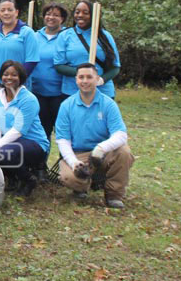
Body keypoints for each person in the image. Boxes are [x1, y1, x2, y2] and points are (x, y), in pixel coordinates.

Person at [55, 63, 133, 208]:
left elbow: (121, 134)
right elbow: (62, 139)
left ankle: (114, 195)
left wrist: (101, 148)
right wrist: (73, 162)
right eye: (81, 77)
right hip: (79, 153)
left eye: (89, 77)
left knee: (124, 152)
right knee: (68, 177)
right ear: (76, 80)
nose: (85, 81)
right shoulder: (66, 105)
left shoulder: (108, 104)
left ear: (97, 79)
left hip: (104, 152)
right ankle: (81, 187)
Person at [0, 60, 49, 197]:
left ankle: (28, 180)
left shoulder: (29, 99)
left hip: (34, 143)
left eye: (14, 75)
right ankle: (12, 179)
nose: (9, 78)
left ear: (21, 77)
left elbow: (18, 131)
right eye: (5, 74)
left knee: (4, 152)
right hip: (9, 141)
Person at [31, 2, 69, 179]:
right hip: (38, 92)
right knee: (42, 131)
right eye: (48, 14)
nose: (51, 17)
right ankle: (40, 167)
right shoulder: (35, 36)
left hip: (60, 93)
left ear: (62, 19)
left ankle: (67, 168)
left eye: (56, 15)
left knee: (63, 132)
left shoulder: (67, 36)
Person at [54, 0, 121, 99]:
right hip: (72, 91)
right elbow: (59, 65)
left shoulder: (105, 36)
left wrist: (101, 80)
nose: (80, 15)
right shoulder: (65, 35)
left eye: (86, 13)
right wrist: (84, 74)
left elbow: (115, 67)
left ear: (93, 15)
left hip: (102, 92)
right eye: (77, 12)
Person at [0, 0, 39, 94]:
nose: (6, 13)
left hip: (19, 88)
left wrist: (15, 83)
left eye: (10, 10)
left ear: (16, 12)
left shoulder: (27, 33)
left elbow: (32, 61)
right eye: (3, 10)